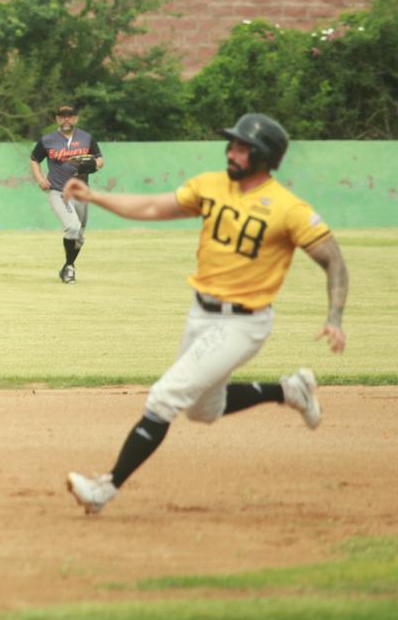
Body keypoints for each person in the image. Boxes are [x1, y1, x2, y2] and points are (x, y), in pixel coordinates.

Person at [63, 113, 348, 515]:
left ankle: (104, 488)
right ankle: (290, 391)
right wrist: (95, 197)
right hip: (201, 314)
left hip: (244, 323)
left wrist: (334, 317)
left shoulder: (289, 209)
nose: (232, 152)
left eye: (242, 148)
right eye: (232, 145)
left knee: (165, 396)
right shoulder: (210, 186)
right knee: (202, 409)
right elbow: (149, 206)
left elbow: (333, 260)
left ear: (264, 155)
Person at [29, 103, 104, 284]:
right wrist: (40, 179)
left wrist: (94, 165)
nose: (66, 119)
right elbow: (34, 159)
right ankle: (70, 268)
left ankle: (67, 266)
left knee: (78, 237)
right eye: (62, 116)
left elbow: (100, 159)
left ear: (76, 118)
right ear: (57, 119)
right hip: (59, 191)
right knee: (72, 227)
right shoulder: (48, 140)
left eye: (70, 115)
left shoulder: (86, 138)